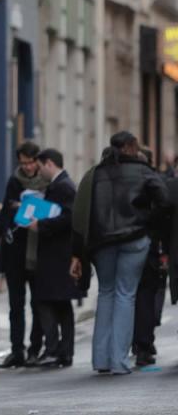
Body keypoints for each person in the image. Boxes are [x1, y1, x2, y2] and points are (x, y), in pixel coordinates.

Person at [71, 131, 170, 374]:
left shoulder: (96, 173)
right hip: (135, 238)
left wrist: (78, 251)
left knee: (106, 294)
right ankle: (119, 361)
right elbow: (165, 201)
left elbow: (81, 210)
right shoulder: (143, 171)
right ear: (132, 147)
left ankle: (101, 360)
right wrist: (148, 223)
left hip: (102, 241)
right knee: (126, 294)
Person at [0, 142, 49, 368]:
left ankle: (35, 349)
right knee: (15, 304)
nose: (28, 167)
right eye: (23, 163)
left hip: (39, 251)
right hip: (15, 251)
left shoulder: (48, 182)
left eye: (31, 162)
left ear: (38, 161)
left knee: (38, 303)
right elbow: (4, 213)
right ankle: (16, 351)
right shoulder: (14, 181)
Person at [29, 149, 78, 368]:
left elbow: (67, 217)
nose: (39, 173)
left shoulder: (63, 186)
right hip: (56, 254)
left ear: (49, 164)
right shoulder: (60, 185)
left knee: (46, 301)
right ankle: (62, 352)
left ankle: (54, 350)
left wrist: (41, 224)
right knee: (59, 304)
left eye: (40, 167)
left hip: (57, 255)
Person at [133, 146, 169, 367]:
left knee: (127, 295)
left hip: (128, 241)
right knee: (146, 294)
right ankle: (143, 344)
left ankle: (136, 342)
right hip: (147, 242)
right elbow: (163, 209)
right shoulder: (154, 181)